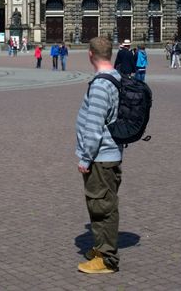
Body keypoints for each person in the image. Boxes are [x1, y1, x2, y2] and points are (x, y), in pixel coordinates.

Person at [75, 37, 123, 274]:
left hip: (100, 157)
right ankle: (101, 247)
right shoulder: (115, 78)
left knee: (101, 206)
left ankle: (106, 258)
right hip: (108, 154)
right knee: (103, 204)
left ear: (90, 54)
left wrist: (85, 158)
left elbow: (94, 128)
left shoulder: (101, 86)